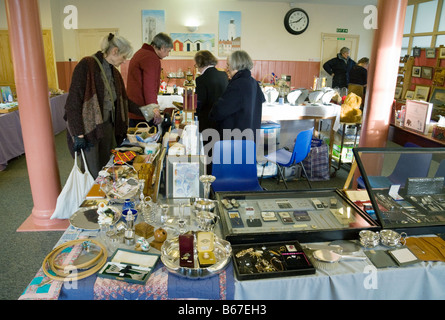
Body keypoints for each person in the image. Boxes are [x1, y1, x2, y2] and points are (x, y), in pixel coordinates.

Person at [64, 33, 156, 178]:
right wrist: (78, 134)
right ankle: (91, 200)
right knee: (92, 174)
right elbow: (73, 102)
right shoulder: (86, 65)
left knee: (108, 170)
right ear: (114, 51)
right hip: (89, 131)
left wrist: (148, 112)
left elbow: (124, 102)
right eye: (124, 56)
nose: (124, 61)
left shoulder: (114, 72)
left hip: (107, 128)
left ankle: (105, 199)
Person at [209, 50, 265, 142]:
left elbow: (218, 111)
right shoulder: (253, 82)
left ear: (236, 65)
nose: (227, 68)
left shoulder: (238, 84)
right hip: (250, 138)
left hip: (235, 139)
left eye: (228, 65)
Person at [127, 32, 173, 127]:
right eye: (168, 51)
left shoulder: (141, 53)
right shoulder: (151, 57)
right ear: (162, 47)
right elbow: (149, 86)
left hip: (134, 109)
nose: (168, 54)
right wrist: (154, 109)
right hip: (143, 112)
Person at [194, 50, 229, 133]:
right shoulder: (223, 75)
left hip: (207, 121)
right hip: (223, 120)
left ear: (200, 63)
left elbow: (199, 102)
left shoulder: (201, 79)